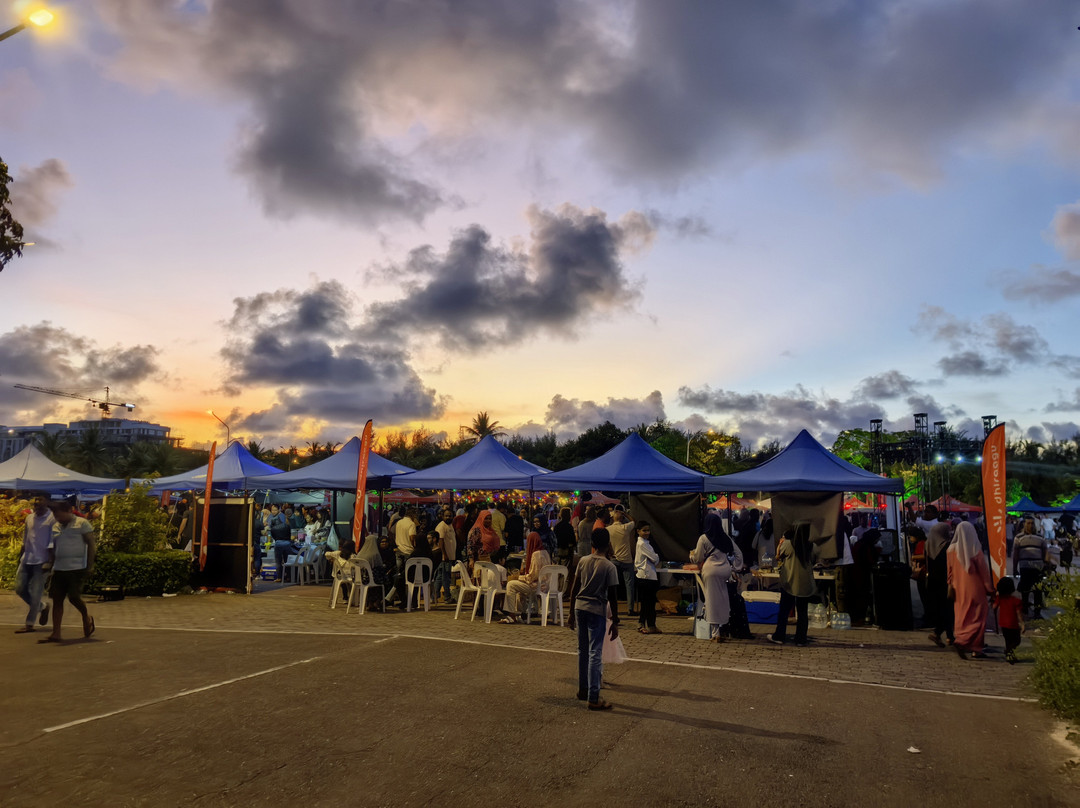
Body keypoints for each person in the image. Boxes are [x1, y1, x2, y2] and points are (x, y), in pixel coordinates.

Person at [567, 528, 619, 711]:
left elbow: (574, 588)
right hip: (597, 609)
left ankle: (583, 689)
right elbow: (613, 597)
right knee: (594, 652)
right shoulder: (609, 566)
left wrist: (571, 614)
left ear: (593, 544)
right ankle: (594, 696)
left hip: (580, 607)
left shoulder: (583, 560)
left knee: (582, 650)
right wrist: (616, 622)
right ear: (608, 544)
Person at [39, 500, 96, 643]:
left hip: (77, 568)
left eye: (60, 515)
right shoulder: (56, 527)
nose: (58, 518)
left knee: (74, 597)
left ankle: (85, 616)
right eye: (56, 516)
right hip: (59, 568)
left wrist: (90, 566)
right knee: (57, 599)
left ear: (69, 511)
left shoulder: (82, 523)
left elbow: (91, 545)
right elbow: (53, 548)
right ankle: (56, 633)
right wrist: (50, 565)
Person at [691, 511, 742, 642]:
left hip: (711, 571)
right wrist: (734, 568)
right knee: (723, 599)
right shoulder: (725, 537)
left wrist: (691, 556)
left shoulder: (703, 538)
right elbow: (738, 554)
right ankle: (723, 626)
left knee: (712, 600)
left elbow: (698, 557)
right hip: (724, 570)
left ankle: (716, 633)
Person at [947, 521, 994, 659]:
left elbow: (949, 572)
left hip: (958, 588)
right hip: (975, 588)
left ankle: (962, 638)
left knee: (963, 616)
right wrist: (990, 589)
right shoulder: (974, 549)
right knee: (978, 617)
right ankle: (971, 646)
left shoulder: (950, 550)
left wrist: (950, 584)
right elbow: (984, 573)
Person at [767, 524, 815, 647]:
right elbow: (815, 559)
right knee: (802, 612)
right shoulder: (810, 545)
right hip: (805, 583)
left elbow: (778, 555)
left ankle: (779, 636)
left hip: (790, 581)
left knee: (784, 610)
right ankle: (801, 638)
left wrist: (780, 543)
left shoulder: (789, 544)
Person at [14, 495, 55, 634]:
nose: (36, 503)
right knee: (19, 589)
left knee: (36, 593)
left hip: (42, 561)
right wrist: (21, 555)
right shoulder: (29, 518)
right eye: (35, 501)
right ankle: (42, 607)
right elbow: (25, 539)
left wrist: (50, 561)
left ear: (47, 502)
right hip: (27, 559)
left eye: (40, 500)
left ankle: (29, 624)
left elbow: (52, 541)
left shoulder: (52, 519)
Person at [500, 532, 552, 623]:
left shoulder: (536, 555)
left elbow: (532, 576)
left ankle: (511, 614)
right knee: (519, 587)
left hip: (537, 586)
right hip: (545, 584)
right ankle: (522, 613)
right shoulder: (545, 552)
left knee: (511, 585)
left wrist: (519, 578)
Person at [925, 522, 955, 648]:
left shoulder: (928, 544)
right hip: (944, 582)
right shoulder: (947, 546)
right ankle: (939, 633)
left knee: (941, 609)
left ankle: (949, 636)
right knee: (948, 609)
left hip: (932, 582)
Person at [1013, 517, 1049, 618]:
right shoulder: (1018, 537)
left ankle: (1037, 611)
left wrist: (1046, 565)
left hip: (1037, 568)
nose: (1030, 525)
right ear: (1024, 524)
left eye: (1032, 523)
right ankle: (1025, 608)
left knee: (1037, 590)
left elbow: (1045, 551)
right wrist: (1015, 568)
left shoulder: (1040, 537)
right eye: (1028, 523)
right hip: (1025, 567)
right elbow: (1016, 554)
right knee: (1025, 589)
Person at [634, 520, 661, 635]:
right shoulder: (642, 544)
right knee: (646, 603)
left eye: (648, 530)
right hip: (645, 576)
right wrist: (657, 556)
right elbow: (655, 559)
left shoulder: (645, 543)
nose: (647, 532)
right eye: (644, 530)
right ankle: (641, 624)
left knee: (650, 603)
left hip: (649, 576)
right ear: (638, 531)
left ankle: (651, 625)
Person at [608, 508, 637, 615]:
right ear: (622, 519)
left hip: (614, 559)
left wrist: (611, 552)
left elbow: (608, 544)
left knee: (612, 585)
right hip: (627, 559)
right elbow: (634, 521)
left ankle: (612, 608)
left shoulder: (608, 529)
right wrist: (625, 514)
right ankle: (630, 609)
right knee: (629, 585)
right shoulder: (625, 528)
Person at [996, 576, 1024, 664]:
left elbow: (993, 607)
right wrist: (1022, 623)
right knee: (1016, 641)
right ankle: (1009, 652)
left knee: (1008, 640)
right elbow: (1019, 614)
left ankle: (1009, 654)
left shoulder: (1000, 599)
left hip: (1003, 624)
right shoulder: (1016, 601)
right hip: (1013, 624)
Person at [433, 509, 457, 603]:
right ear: (442, 516)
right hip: (444, 557)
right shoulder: (441, 526)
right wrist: (444, 554)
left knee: (440, 577)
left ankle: (434, 596)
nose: (448, 517)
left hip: (450, 556)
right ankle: (447, 597)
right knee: (446, 577)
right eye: (446, 516)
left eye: (450, 515)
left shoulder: (450, 525)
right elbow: (440, 542)